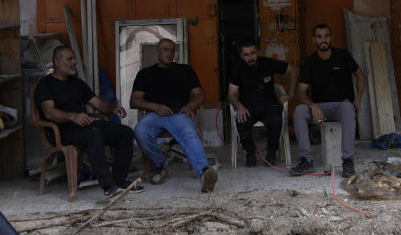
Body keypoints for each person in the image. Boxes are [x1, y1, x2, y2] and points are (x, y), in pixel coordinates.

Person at [34, 46, 142, 197]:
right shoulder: (45, 85)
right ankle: (108, 187)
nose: (74, 62)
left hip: (84, 126)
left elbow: (98, 104)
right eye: (69, 59)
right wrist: (73, 117)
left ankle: (119, 180)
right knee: (94, 134)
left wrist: (112, 108)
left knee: (125, 133)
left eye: (74, 58)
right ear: (57, 62)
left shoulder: (77, 83)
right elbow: (49, 112)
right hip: (60, 131)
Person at [130, 38, 219, 193]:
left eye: (172, 50)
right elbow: (134, 101)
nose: (169, 53)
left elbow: (200, 95)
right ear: (157, 52)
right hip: (154, 115)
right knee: (139, 131)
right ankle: (161, 164)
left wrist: (190, 105)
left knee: (190, 133)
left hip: (179, 113)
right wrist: (155, 106)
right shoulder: (145, 74)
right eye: (165, 49)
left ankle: (204, 173)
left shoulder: (185, 70)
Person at [290, 24, 365, 178]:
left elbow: (360, 75)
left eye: (326, 36)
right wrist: (312, 106)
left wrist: (358, 98)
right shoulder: (310, 62)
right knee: (299, 111)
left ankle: (348, 161)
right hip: (319, 108)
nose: (323, 40)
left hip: (341, 106)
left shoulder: (343, 56)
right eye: (319, 36)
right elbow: (301, 92)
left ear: (331, 38)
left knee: (347, 107)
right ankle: (306, 160)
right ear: (314, 40)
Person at [228, 39, 297, 167]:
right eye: (246, 54)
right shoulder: (237, 68)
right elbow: (231, 93)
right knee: (241, 122)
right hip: (247, 106)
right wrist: (239, 106)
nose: (250, 57)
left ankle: (271, 151)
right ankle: (250, 151)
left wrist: (290, 93)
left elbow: (293, 69)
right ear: (241, 56)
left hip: (270, 104)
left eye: (253, 53)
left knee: (276, 120)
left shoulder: (268, 63)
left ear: (258, 52)